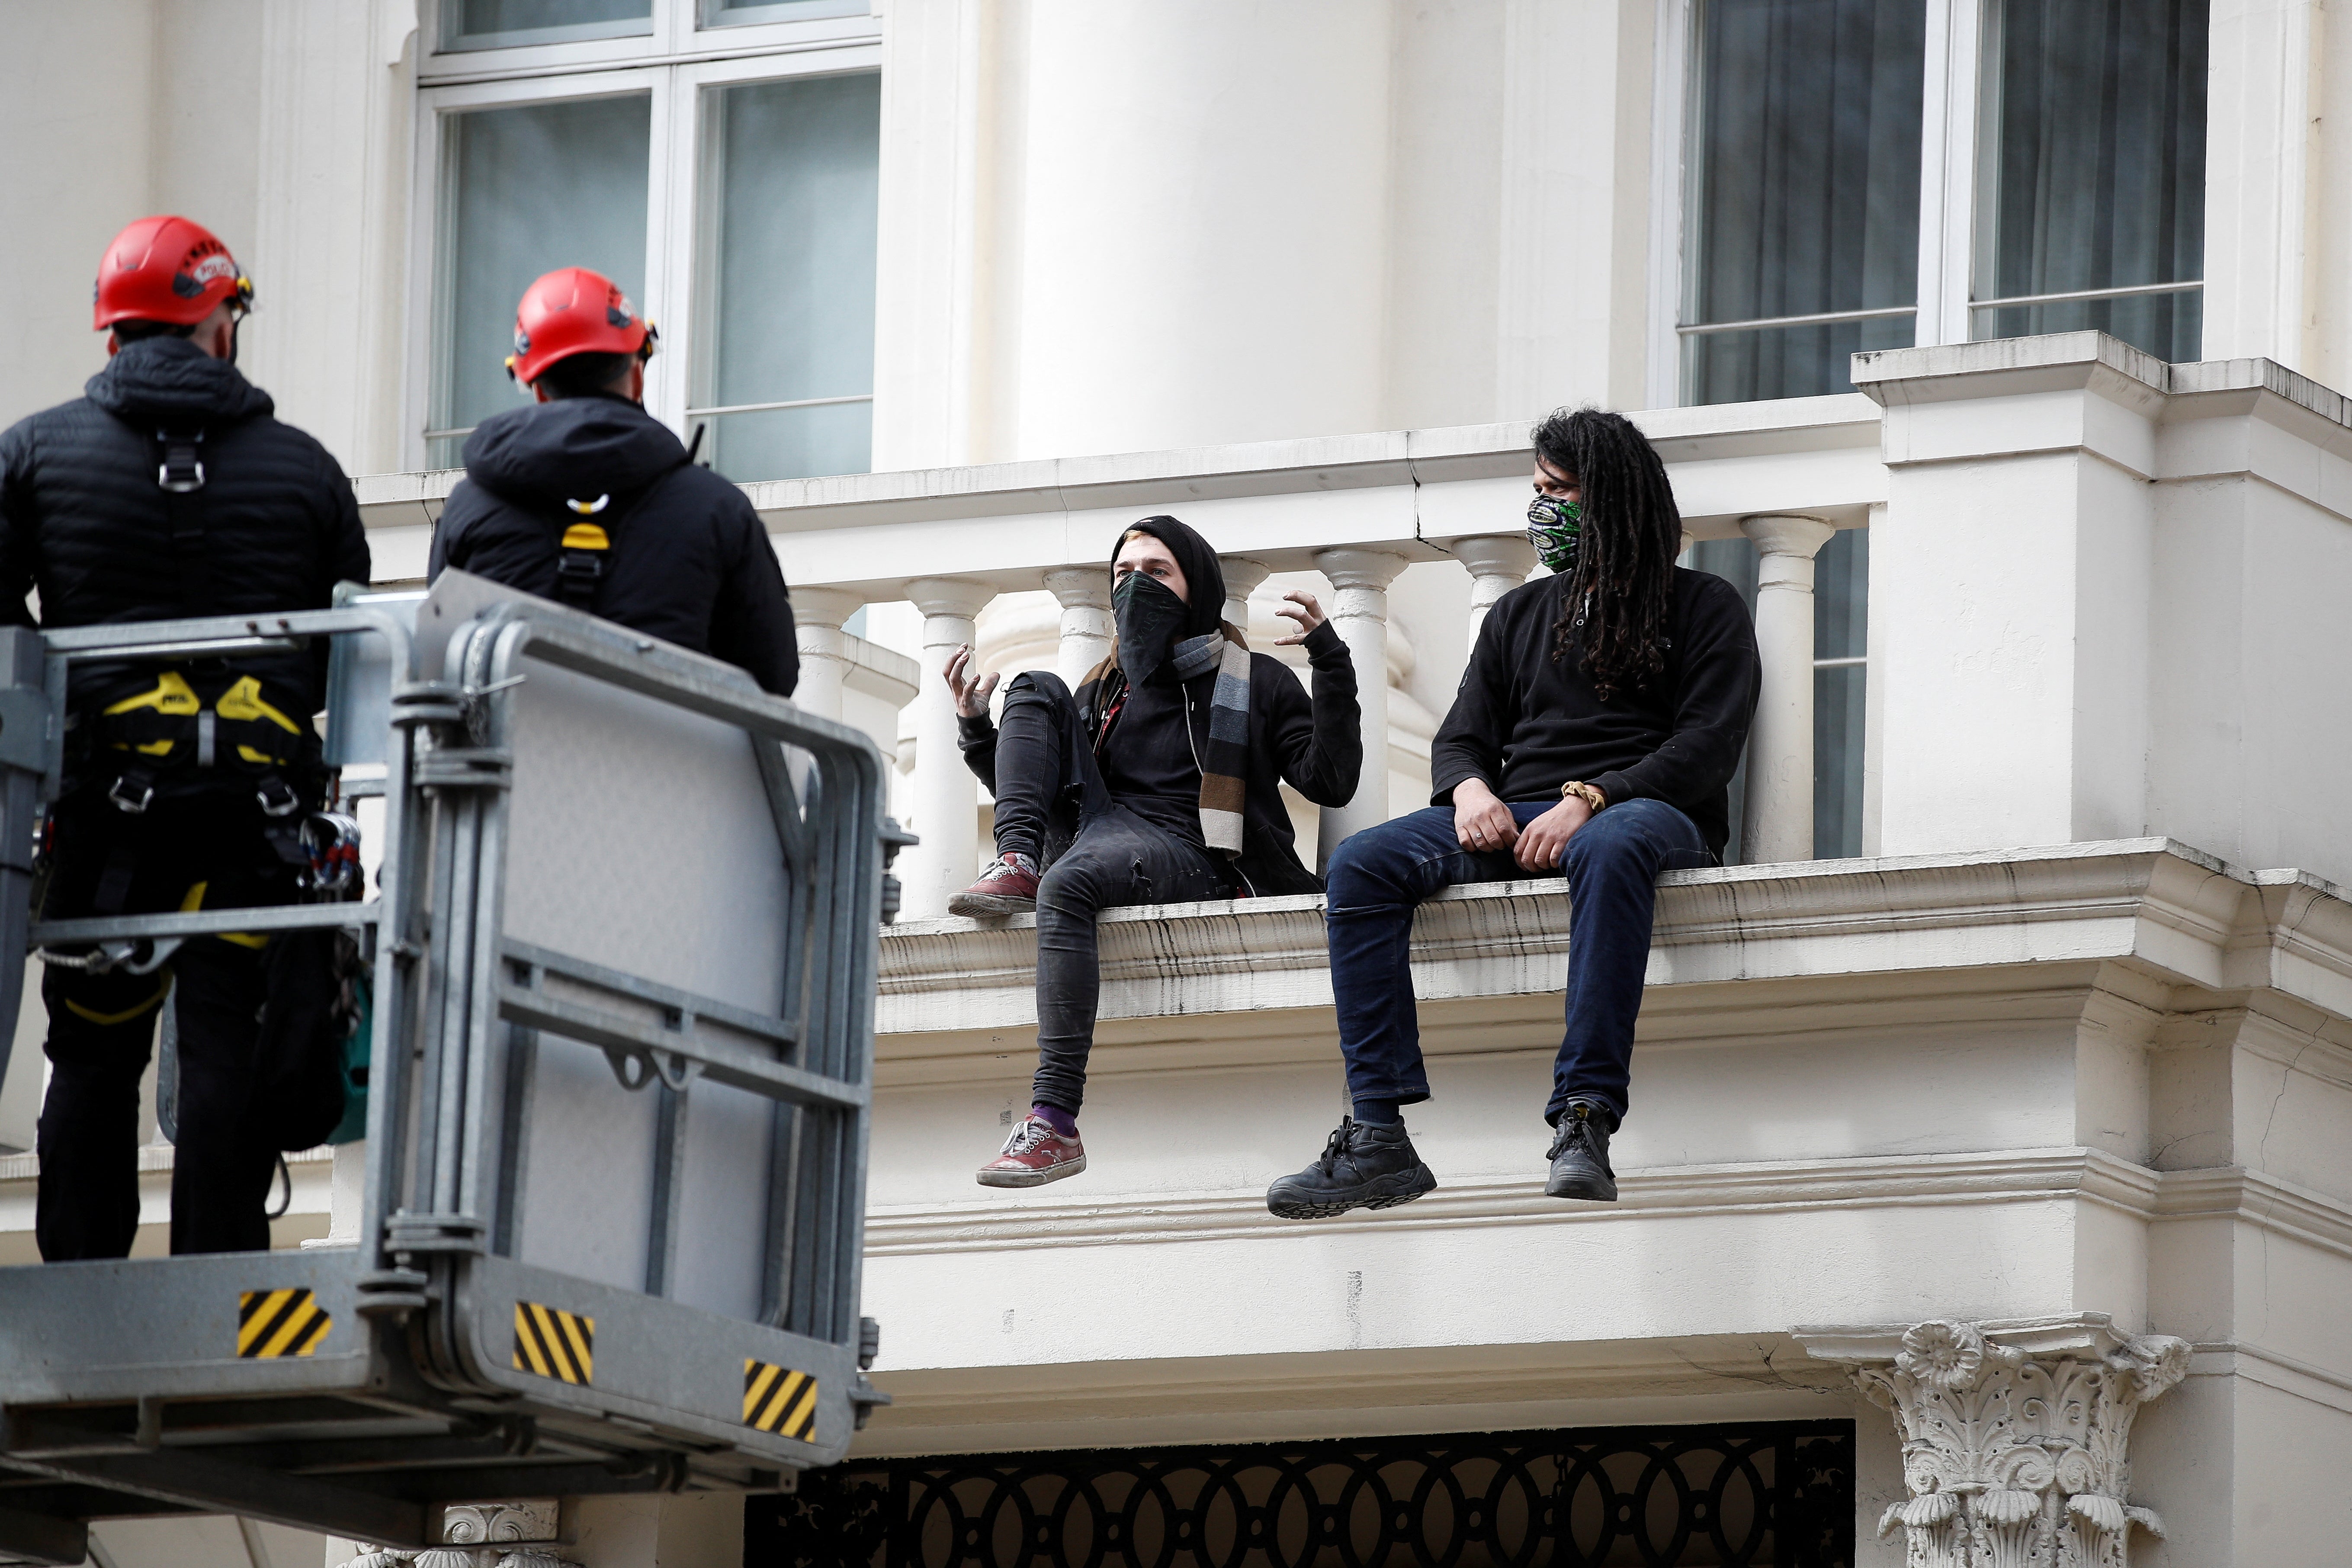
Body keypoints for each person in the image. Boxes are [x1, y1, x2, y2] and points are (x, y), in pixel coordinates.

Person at [1266, 407, 1761, 1218]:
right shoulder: (1518, 615)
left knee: (1609, 847)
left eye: (1558, 491)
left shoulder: (1704, 605)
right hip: (1520, 815)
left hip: (1646, 814)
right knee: (1360, 864)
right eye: (1537, 489)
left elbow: (1707, 745)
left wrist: (1590, 798)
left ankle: (1584, 1117)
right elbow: (1461, 738)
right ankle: (1377, 1135)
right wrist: (1468, 792)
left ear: (1611, 498)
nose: (1541, 510)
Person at [0, 215, 372, 1259]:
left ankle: (80, 1287)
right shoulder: (305, 468)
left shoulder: (30, 454)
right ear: (217, 318)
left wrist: (66, 695)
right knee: (226, 1045)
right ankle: (221, 1292)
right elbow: (345, 636)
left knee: (95, 1050)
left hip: (110, 822)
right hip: (256, 827)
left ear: (111, 332)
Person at [947, 516, 1361, 1187]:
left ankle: (1054, 1122)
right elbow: (1036, 782)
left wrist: (1331, 662)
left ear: (1194, 588)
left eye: (1156, 573)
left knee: (1069, 884)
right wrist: (973, 729)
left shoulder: (1255, 681)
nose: (1135, 587)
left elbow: (1330, 780)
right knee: (1031, 687)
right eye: (1123, 574)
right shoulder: (1101, 691)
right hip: (1100, 833)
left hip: (1199, 851)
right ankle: (1016, 858)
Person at [428, 266, 798, 696]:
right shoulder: (716, 508)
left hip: (509, 759)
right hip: (671, 758)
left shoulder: (468, 508)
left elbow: (438, 653)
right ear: (637, 375)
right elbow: (773, 673)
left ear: (539, 389)